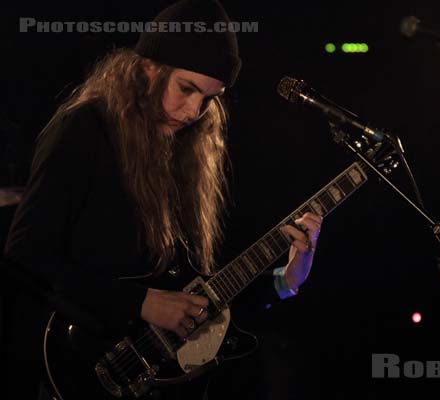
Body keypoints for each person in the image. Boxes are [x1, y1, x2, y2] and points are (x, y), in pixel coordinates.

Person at [2, 0, 322, 398]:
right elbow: (24, 259)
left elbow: (196, 305)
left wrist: (286, 281)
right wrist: (137, 302)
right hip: (75, 364)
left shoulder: (186, 151)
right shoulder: (85, 129)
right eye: (186, 88)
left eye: (209, 98)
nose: (194, 111)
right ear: (147, 68)